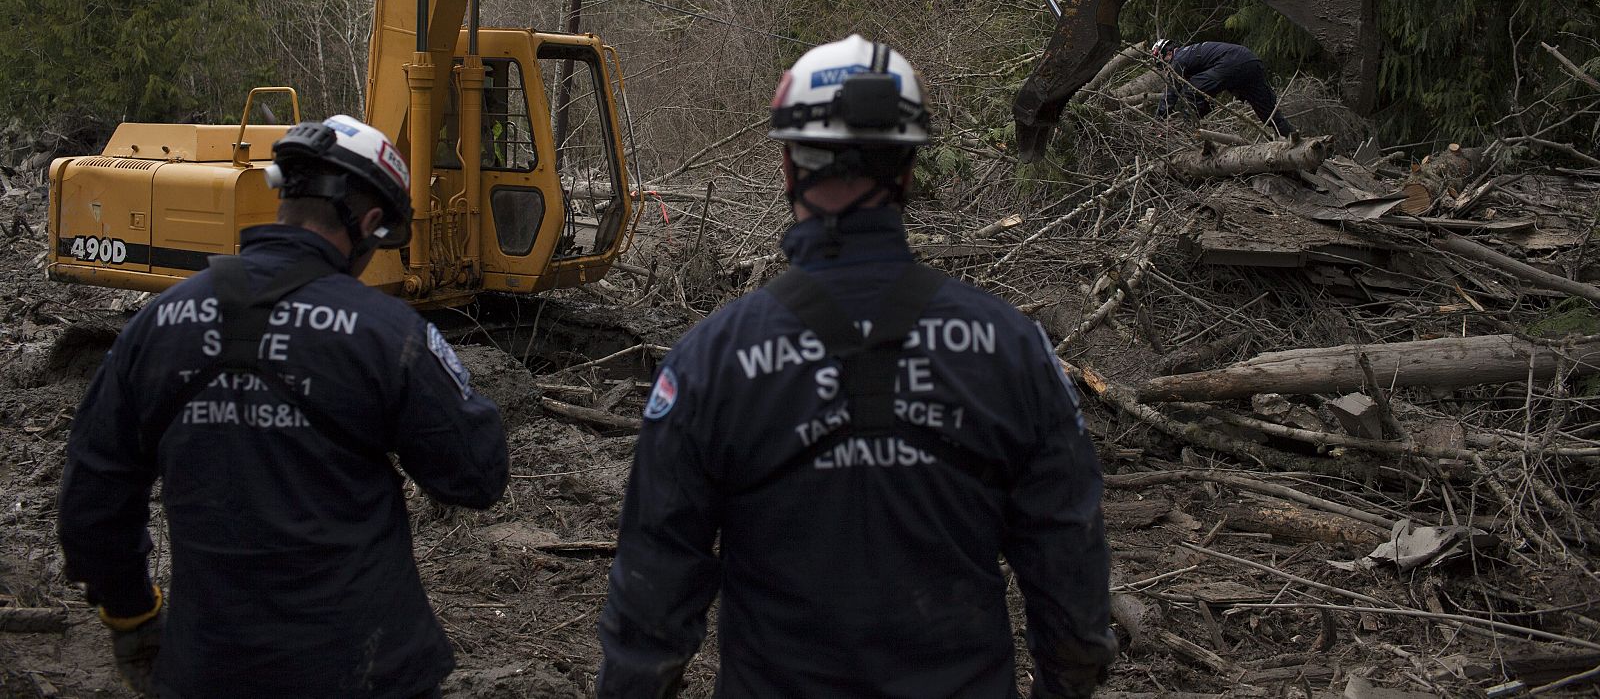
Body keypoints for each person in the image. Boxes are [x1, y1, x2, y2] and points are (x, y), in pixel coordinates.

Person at [597, 35, 1115, 698]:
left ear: (788, 166)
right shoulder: (1012, 349)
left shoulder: (711, 362)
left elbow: (652, 595)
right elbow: (1070, 567)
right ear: (905, 172)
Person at [58, 115, 509, 698]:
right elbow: (476, 475)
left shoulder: (159, 323)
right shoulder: (386, 332)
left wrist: (133, 620)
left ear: (284, 196)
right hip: (367, 670)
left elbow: (92, 507)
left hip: (207, 670)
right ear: (370, 224)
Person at [1151, 38, 1296, 135]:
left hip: (1231, 62)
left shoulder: (1179, 57)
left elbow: (1171, 92)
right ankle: (1292, 138)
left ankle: (1189, 131)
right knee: (1268, 113)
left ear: (1168, 53)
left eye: (1163, 65)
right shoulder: (1192, 53)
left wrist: (1157, 121)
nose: (1167, 70)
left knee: (1191, 90)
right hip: (1250, 60)